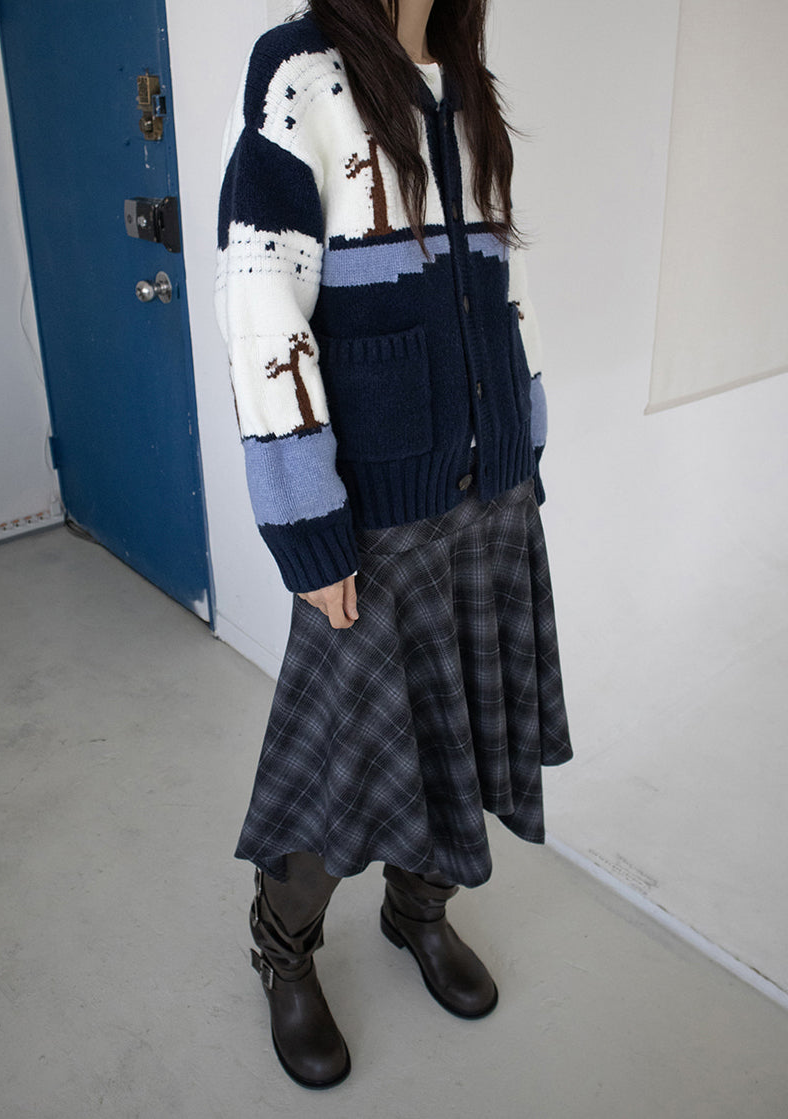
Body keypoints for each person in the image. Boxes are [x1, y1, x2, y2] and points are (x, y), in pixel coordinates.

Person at [215, 0, 572, 1089]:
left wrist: (524, 437)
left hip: (491, 486)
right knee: (340, 754)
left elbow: (504, 286)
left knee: (466, 726)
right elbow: (261, 305)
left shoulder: (466, 79)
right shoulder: (300, 67)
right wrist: (306, 525)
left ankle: (419, 907)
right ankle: (283, 947)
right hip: (377, 503)